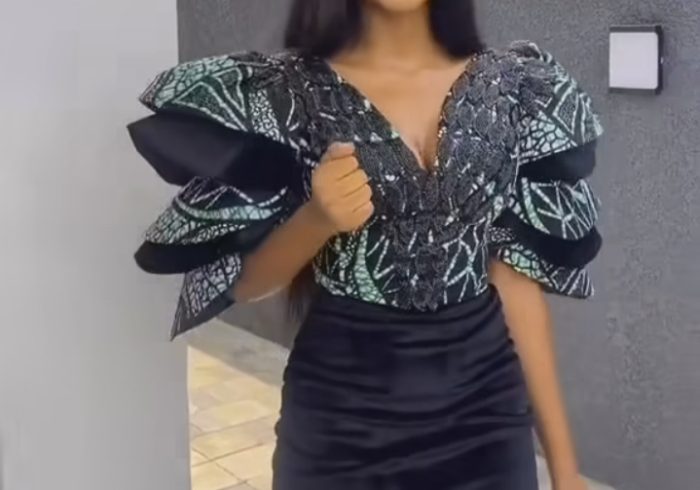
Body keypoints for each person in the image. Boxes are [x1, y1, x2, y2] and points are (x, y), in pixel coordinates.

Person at [128, 0, 603, 488]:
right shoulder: (288, 92)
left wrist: (565, 469)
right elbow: (247, 284)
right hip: (341, 423)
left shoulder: (512, 90)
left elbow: (516, 284)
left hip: (487, 418)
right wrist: (316, 220)